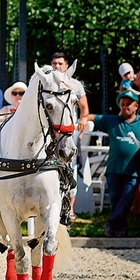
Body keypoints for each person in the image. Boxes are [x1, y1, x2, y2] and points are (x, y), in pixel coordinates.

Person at [86, 89, 140, 237]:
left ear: (136, 106)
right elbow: (92, 117)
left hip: (133, 171)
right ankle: (121, 229)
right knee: (116, 200)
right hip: (113, 169)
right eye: (122, 104)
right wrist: (83, 119)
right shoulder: (112, 121)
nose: (125, 107)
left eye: (128, 104)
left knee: (127, 199)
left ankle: (111, 224)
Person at [51, 52, 90, 220]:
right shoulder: (47, 83)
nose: (57, 66)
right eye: (54, 63)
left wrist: (83, 119)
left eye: (60, 63)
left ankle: (70, 209)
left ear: (66, 66)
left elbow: (84, 107)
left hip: (68, 133)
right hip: (51, 134)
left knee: (70, 169)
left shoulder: (74, 84)